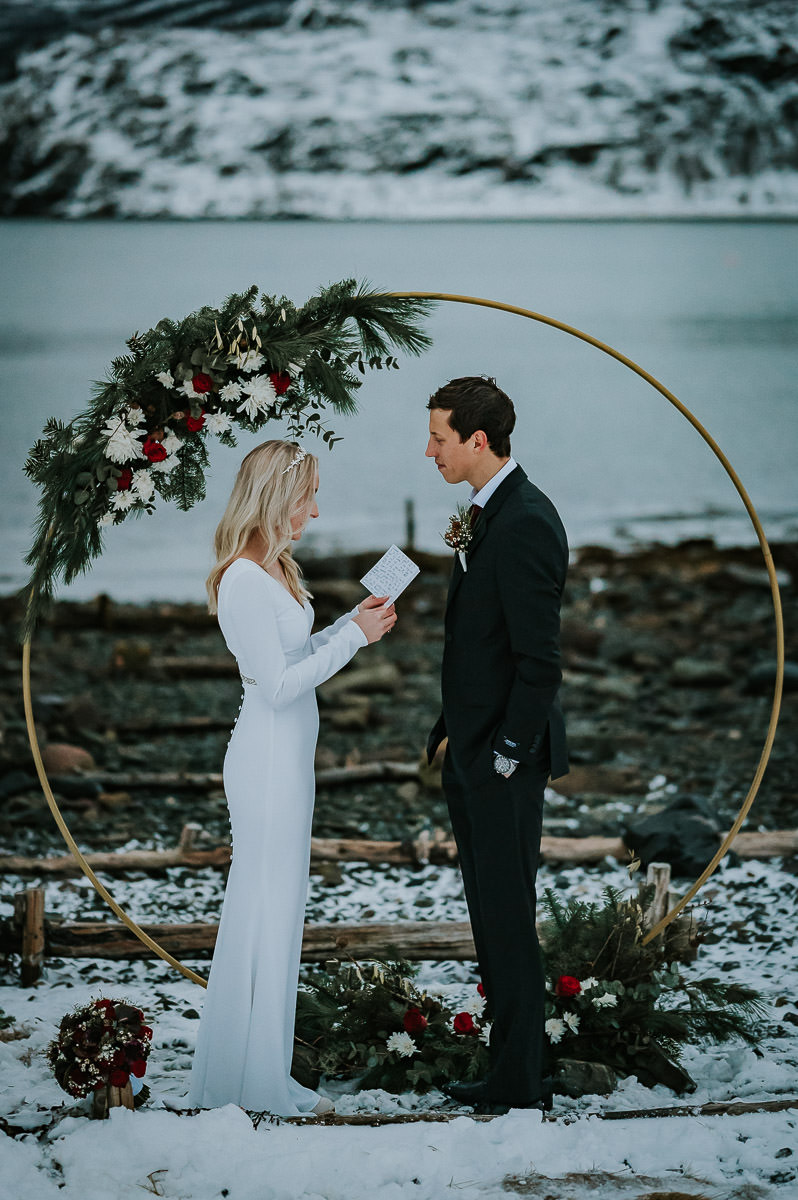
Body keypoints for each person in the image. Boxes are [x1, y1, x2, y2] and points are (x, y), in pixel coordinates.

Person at [188, 439, 396, 1116]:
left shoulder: (276, 565)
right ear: (276, 496)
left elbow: (294, 651)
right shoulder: (244, 579)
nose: (314, 506)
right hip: (267, 760)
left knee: (281, 911)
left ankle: (261, 1069)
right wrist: (353, 642)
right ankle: (245, 1078)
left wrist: (345, 624)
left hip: (290, 761)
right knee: (262, 910)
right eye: (306, 492)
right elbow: (275, 686)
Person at [424, 376, 569, 1115]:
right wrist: (453, 732)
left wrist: (505, 753)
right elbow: (479, 641)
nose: (430, 452)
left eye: (440, 438)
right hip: (474, 751)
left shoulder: (526, 522)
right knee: (490, 915)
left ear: (478, 441)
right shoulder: (490, 512)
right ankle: (509, 1068)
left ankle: (520, 1082)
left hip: (504, 761)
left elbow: (541, 662)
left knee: (509, 919)